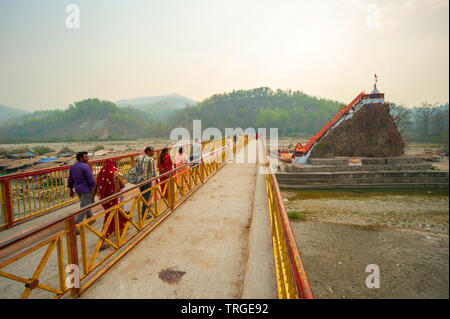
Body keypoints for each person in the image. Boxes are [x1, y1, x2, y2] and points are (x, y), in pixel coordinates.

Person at [95, 160, 127, 251]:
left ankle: (121, 229)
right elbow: (123, 185)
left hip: (104, 200)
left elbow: (96, 186)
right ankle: (101, 242)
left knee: (117, 215)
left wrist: (93, 197)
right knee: (109, 219)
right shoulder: (114, 173)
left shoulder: (101, 174)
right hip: (113, 199)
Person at [68, 152, 96, 229]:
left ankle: (90, 218)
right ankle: (74, 225)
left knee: (86, 204)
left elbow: (70, 179)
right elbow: (90, 179)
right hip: (86, 189)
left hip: (78, 189)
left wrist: (71, 189)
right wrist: (95, 187)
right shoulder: (85, 167)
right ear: (81, 158)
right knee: (84, 206)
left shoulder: (73, 167)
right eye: (86, 157)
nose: (87, 158)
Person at [137, 146, 156, 218]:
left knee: (143, 196)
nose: (153, 153)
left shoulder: (139, 158)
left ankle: (144, 212)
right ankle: (144, 214)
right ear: (147, 152)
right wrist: (156, 179)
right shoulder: (150, 160)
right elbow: (154, 173)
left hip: (140, 181)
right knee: (146, 198)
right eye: (152, 151)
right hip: (147, 181)